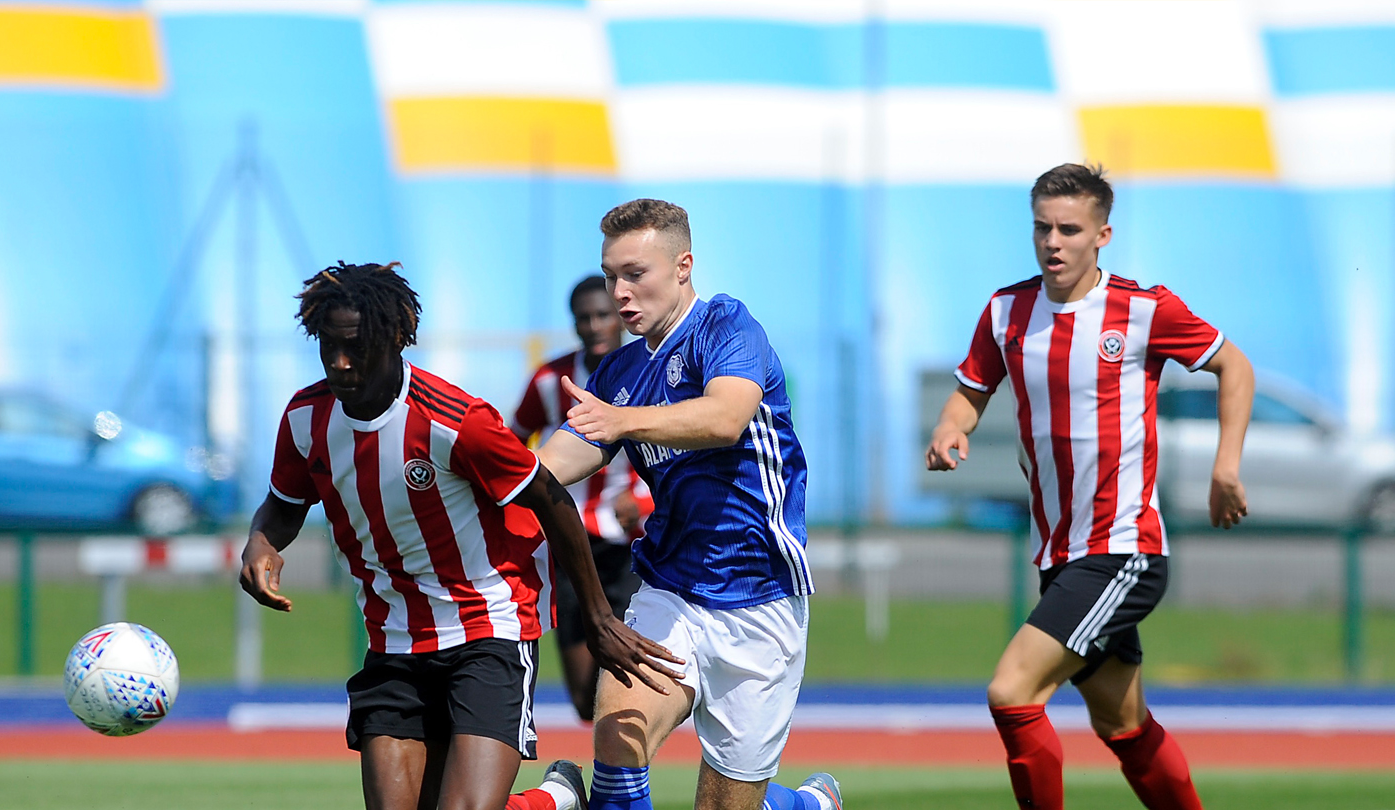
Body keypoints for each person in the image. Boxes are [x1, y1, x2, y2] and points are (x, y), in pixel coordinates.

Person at [237, 261, 684, 810]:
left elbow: (549, 497)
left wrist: (596, 619)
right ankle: (553, 800)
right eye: (327, 346)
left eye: (354, 346)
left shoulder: (455, 420)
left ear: (397, 339)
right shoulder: (306, 418)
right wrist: (261, 543)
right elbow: (282, 507)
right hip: (393, 641)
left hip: (488, 627)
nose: (339, 361)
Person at [925, 164, 1255, 810]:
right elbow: (970, 392)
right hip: (1060, 555)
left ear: (1103, 234)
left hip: (1123, 549)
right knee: (1122, 723)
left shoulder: (1141, 310)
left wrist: (1226, 466)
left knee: (1012, 691)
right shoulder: (1006, 311)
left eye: (1069, 230)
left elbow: (1232, 363)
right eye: (1043, 227)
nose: (1053, 242)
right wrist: (948, 428)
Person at [534, 200, 843, 810]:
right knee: (617, 746)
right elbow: (553, 465)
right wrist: (472, 470)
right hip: (669, 589)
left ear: (683, 266)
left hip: (761, 597)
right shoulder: (619, 372)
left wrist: (622, 422)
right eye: (609, 276)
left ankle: (804, 805)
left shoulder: (726, 327)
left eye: (635, 273)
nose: (619, 292)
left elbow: (726, 418)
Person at [511, 275, 653, 722]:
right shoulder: (550, 379)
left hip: (631, 543)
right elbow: (513, 444)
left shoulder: (651, 371)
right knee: (582, 698)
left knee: (629, 675)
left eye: (602, 315)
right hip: (569, 542)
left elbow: (679, 454)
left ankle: (623, 780)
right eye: (583, 318)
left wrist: (644, 503)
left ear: (621, 317)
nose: (594, 326)